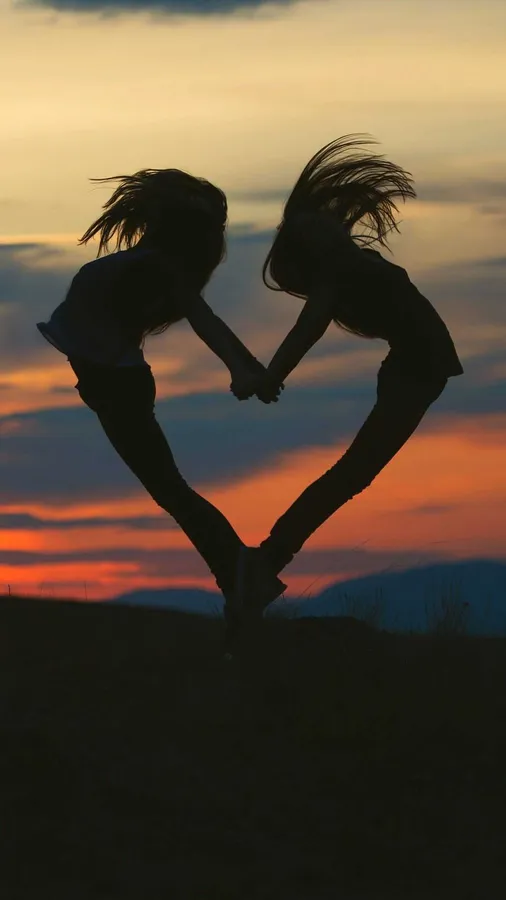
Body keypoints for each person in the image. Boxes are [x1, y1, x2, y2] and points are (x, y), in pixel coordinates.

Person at [36, 166, 286, 625]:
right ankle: (241, 579)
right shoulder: (151, 262)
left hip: (116, 384)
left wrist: (244, 369)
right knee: (170, 490)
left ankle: (243, 578)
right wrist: (247, 367)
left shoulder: (159, 266)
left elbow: (205, 320)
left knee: (171, 490)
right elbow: (205, 318)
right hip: (109, 383)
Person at [232, 134, 464, 605]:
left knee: (353, 474)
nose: (324, 224)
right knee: (352, 475)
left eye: (319, 220)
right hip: (412, 373)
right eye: (311, 230)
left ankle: (270, 558)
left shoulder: (354, 262)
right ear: (312, 248)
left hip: (418, 372)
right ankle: (270, 558)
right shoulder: (336, 278)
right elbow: (306, 331)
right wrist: (273, 376)